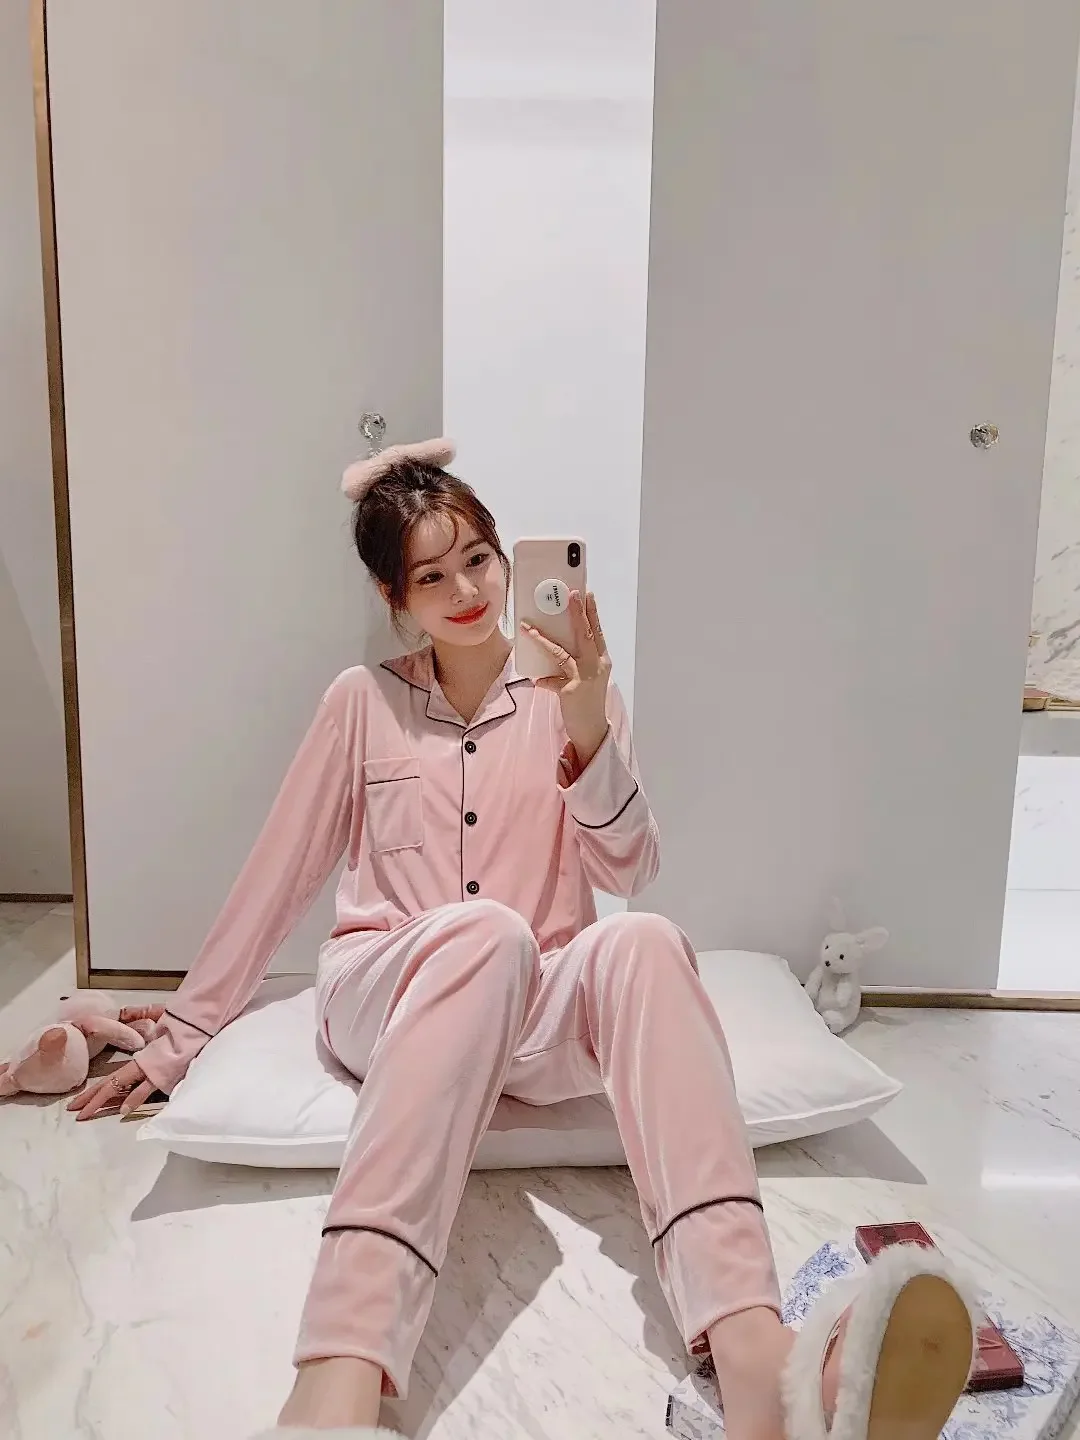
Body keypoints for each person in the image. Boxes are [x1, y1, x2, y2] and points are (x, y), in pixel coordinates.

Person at [71, 440, 978, 1440]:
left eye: (478, 559)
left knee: (642, 942)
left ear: (506, 559)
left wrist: (586, 725)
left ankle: (762, 1368)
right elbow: (276, 876)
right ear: (393, 596)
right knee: (485, 935)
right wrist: (181, 1036)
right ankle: (336, 1382)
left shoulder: (572, 691)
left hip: (533, 1001)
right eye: (431, 576)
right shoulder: (361, 703)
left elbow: (630, 870)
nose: (466, 591)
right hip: (388, 994)